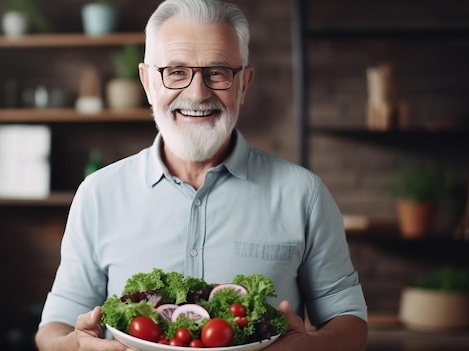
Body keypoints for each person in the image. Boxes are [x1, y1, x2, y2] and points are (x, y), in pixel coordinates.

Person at [35, 0, 368, 350]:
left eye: (217, 72)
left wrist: (311, 347)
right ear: (147, 81)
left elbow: (350, 322)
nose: (197, 93)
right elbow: (52, 331)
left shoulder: (305, 195)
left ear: (244, 83)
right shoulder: (98, 194)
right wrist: (76, 345)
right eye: (176, 72)